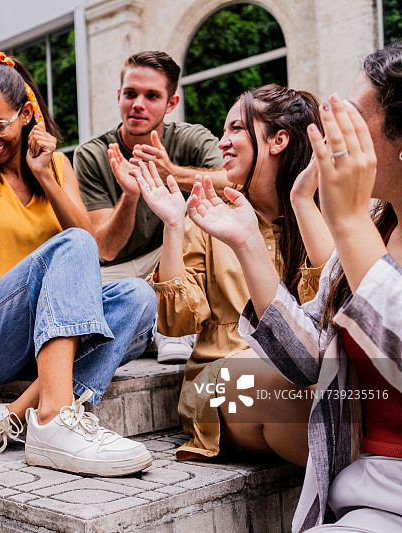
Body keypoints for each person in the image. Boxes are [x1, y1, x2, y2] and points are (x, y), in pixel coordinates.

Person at [187, 43, 402, 532]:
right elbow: (307, 355)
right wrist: (245, 241)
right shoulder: (372, 219)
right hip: (257, 395)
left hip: (341, 440)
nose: (336, 139)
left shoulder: (351, 219)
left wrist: (326, 211)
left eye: (354, 121)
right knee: (242, 383)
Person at [0, 51, 157, 476]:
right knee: (69, 244)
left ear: (26, 114)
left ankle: (15, 415)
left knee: (140, 297)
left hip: (49, 342)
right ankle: (55, 417)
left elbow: (91, 246)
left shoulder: (55, 163)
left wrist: (45, 177)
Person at [135, 84, 326, 464]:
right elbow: (176, 322)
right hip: (222, 378)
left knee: (330, 380)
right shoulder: (208, 214)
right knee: (296, 381)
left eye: (236, 129)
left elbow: (332, 318)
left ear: (279, 140)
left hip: (305, 375)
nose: (222, 143)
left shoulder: (317, 218)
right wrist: (173, 226)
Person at [73, 51, 229, 363]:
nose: (138, 104)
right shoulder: (91, 155)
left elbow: (233, 181)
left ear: (171, 103)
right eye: (130, 94)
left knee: (204, 216)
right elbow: (106, 249)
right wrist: (129, 196)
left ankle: (174, 330)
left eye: (152, 96)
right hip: (119, 273)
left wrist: (173, 173)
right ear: (119, 96)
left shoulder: (191, 138)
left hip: (172, 255)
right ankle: (155, 323)